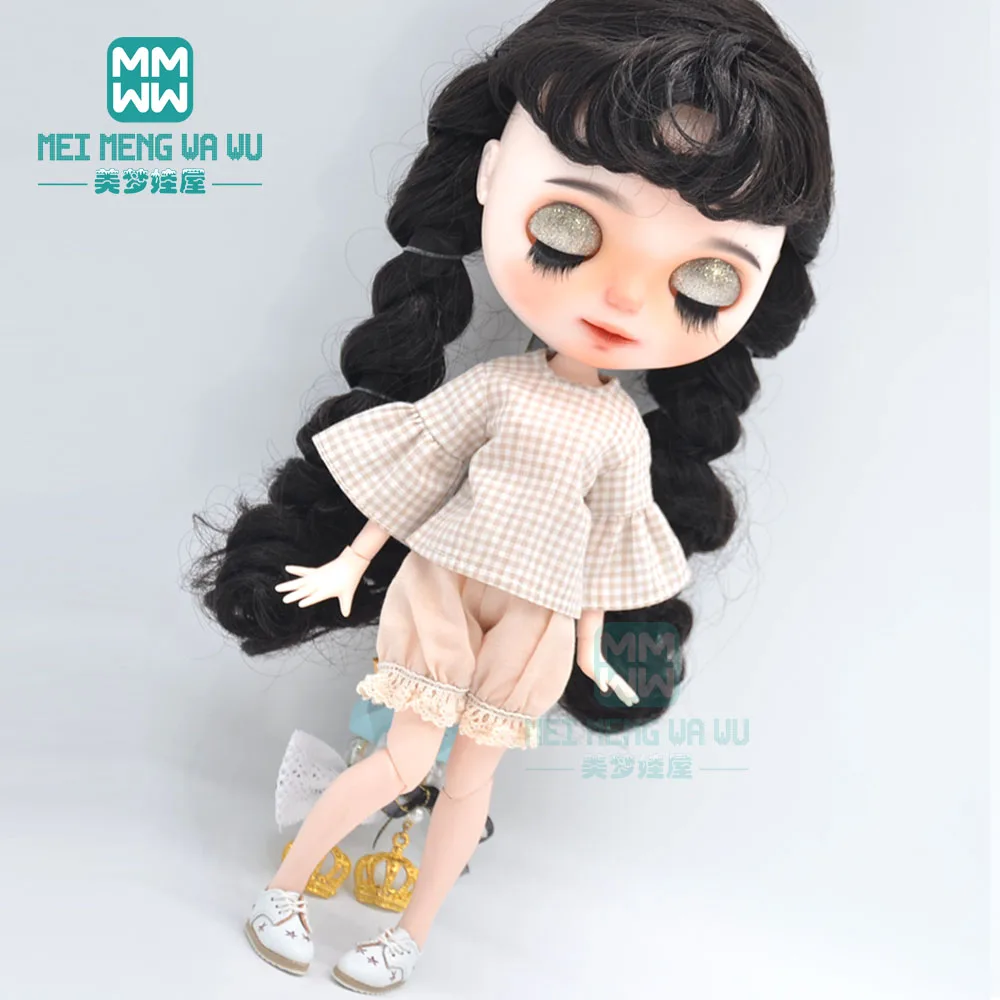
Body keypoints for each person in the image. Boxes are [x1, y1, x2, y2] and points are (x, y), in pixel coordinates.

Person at [188, 0, 834, 992]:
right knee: (402, 763)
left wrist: (593, 647)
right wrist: (350, 562)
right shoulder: (495, 389)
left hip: (535, 625)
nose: (624, 299)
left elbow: (609, 543)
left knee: (468, 785)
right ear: (491, 174)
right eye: (571, 224)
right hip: (442, 593)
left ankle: (406, 936)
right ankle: (287, 891)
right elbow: (416, 470)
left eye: (705, 279)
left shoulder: (621, 432)